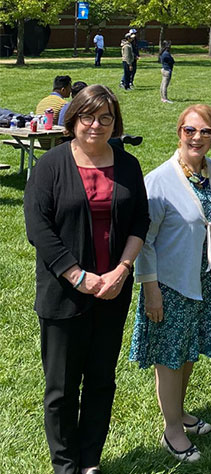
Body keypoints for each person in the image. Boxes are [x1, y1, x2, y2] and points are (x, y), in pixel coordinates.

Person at [23, 84, 149, 474]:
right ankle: (65, 465)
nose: (96, 125)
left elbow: (140, 220)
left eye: (106, 118)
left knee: (100, 381)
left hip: (112, 291)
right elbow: (38, 228)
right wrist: (78, 276)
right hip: (64, 294)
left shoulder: (127, 165)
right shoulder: (51, 164)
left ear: (115, 122)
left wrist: (121, 271)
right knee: (61, 389)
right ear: (72, 119)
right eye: (87, 117)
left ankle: (90, 460)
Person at [130, 104, 211, 463]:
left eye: (206, 132)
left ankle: (180, 412)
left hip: (203, 281)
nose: (197, 137)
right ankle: (172, 429)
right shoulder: (159, 180)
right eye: (190, 130)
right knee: (170, 359)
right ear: (179, 132)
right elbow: (145, 239)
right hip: (168, 284)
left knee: (187, 353)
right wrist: (150, 288)